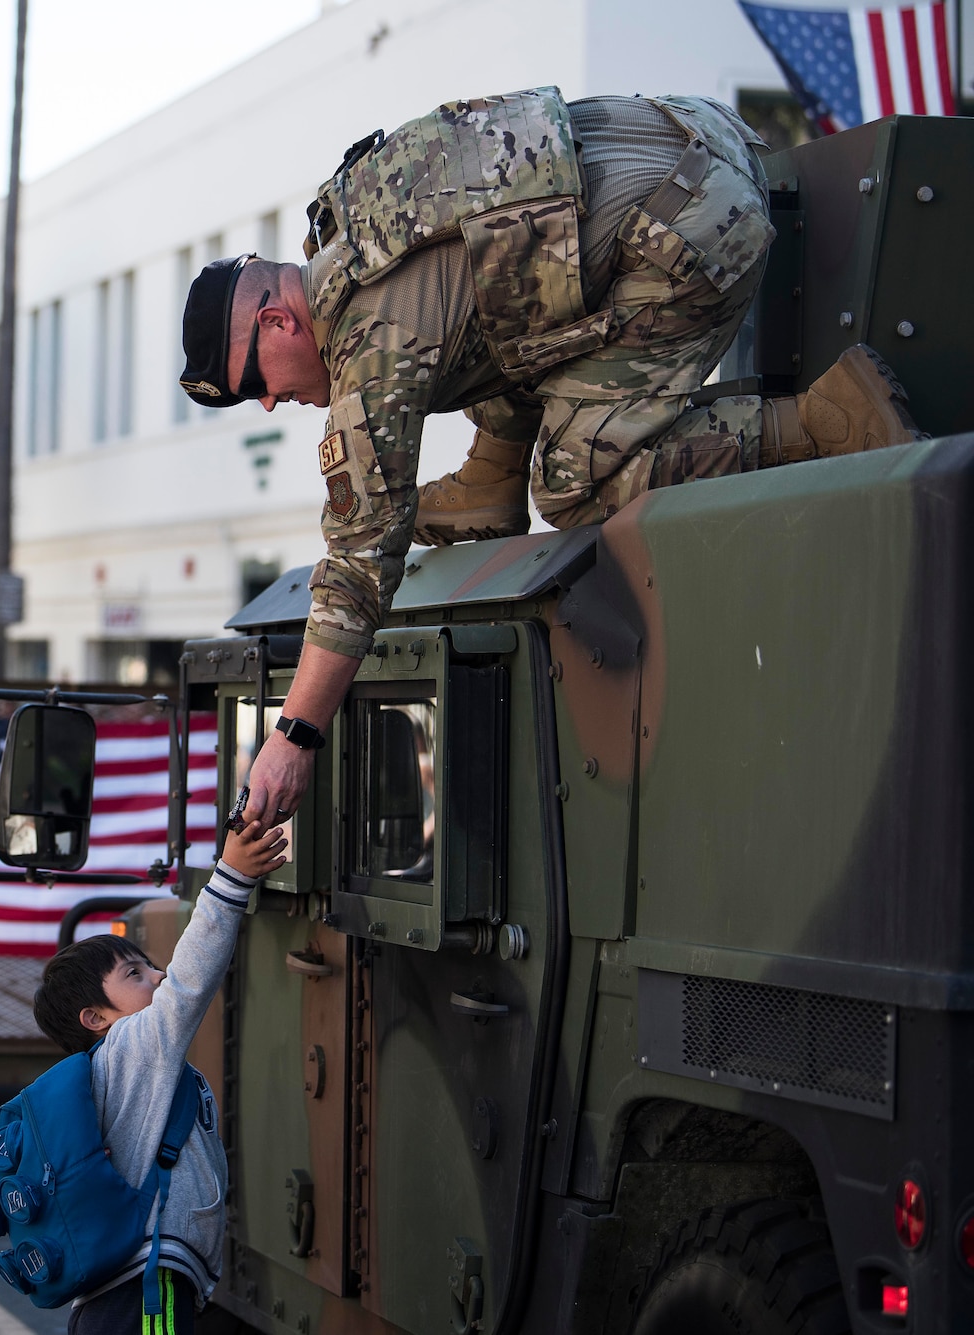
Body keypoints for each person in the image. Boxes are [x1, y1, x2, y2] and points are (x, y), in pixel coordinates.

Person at [176, 87, 926, 831]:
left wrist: (295, 736)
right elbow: (507, 281)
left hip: (695, 231)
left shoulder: (370, 343)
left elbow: (359, 568)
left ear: (277, 321)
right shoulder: (353, 232)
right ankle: (489, 479)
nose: (269, 403)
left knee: (575, 485)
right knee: (499, 311)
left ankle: (826, 421)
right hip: (705, 138)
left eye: (253, 384)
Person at [28, 817, 289, 1332]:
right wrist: (231, 876)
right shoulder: (131, 1046)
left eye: (149, 965)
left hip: (126, 1294)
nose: (158, 975)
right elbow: (189, 981)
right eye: (135, 974)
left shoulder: (120, 1066)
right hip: (144, 1288)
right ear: (96, 1019)